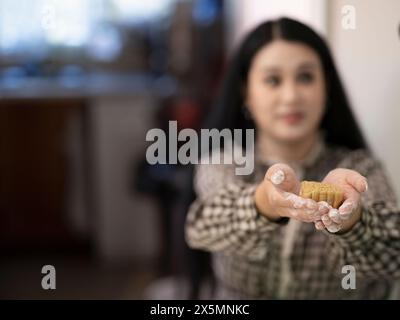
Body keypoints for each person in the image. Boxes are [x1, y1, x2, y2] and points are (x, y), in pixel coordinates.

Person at [184, 17, 400, 299]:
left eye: (306, 77)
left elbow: (393, 256)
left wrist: (352, 220)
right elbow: (203, 226)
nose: (291, 96)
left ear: (327, 88)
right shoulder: (225, 162)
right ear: (245, 93)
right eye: (273, 80)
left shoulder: (361, 170)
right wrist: (265, 202)